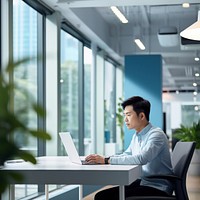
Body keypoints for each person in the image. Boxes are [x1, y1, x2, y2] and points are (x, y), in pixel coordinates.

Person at [85, 96, 174, 200]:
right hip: (144, 182)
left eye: (128, 115)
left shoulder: (156, 135)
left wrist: (106, 160)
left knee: (105, 197)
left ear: (141, 116)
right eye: (124, 115)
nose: (125, 119)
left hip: (157, 186)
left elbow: (142, 159)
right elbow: (127, 154)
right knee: (101, 196)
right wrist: (104, 158)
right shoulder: (137, 135)